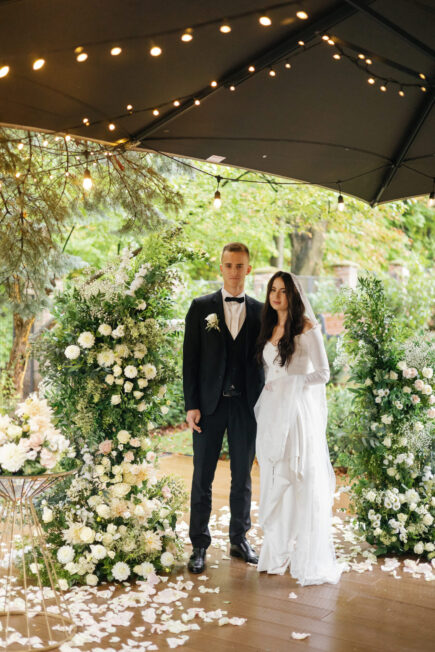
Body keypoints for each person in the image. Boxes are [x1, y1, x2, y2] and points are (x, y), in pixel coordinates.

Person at [254, 271, 342, 585]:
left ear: (293, 294)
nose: (276, 296)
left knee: (294, 476)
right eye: (272, 290)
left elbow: (324, 373)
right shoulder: (269, 326)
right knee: (274, 474)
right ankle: (275, 553)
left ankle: (300, 551)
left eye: (282, 291)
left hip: (296, 412)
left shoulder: (306, 327)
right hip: (273, 412)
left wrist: (292, 384)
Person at [183, 242, 264, 573]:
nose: (234, 271)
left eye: (239, 265)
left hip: (246, 407)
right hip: (209, 407)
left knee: (242, 476)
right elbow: (190, 360)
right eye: (228, 265)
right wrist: (192, 405)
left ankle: (239, 539)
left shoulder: (261, 311)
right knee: (202, 476)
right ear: (221, 268)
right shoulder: (200, 307)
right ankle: (199, 545)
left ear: (248, 269)